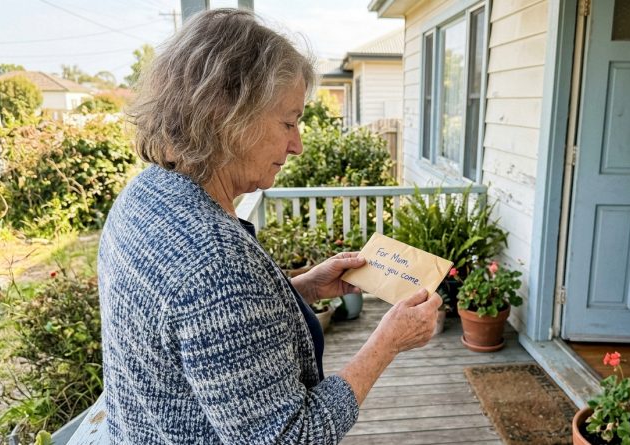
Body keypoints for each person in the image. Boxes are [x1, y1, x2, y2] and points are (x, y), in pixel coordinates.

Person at [97, 8, 442, 445]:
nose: (296, 145)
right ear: (227, 115)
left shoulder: (145, 194)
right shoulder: (214, 260)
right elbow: (290, 437)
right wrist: (386, 343)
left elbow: (206, 336)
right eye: (288, 122)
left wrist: (303, 287)